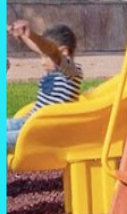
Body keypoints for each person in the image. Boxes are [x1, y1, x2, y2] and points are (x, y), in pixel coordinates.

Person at [7, 20, 82, 155]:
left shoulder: (71, 71)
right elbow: (42, 48)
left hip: (45, 133)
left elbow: (51, 51)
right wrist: (21, 34)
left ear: (64, 52)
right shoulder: (54, 70)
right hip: (29, 123)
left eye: (45, 57)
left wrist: (32, 35)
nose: (42, 62)